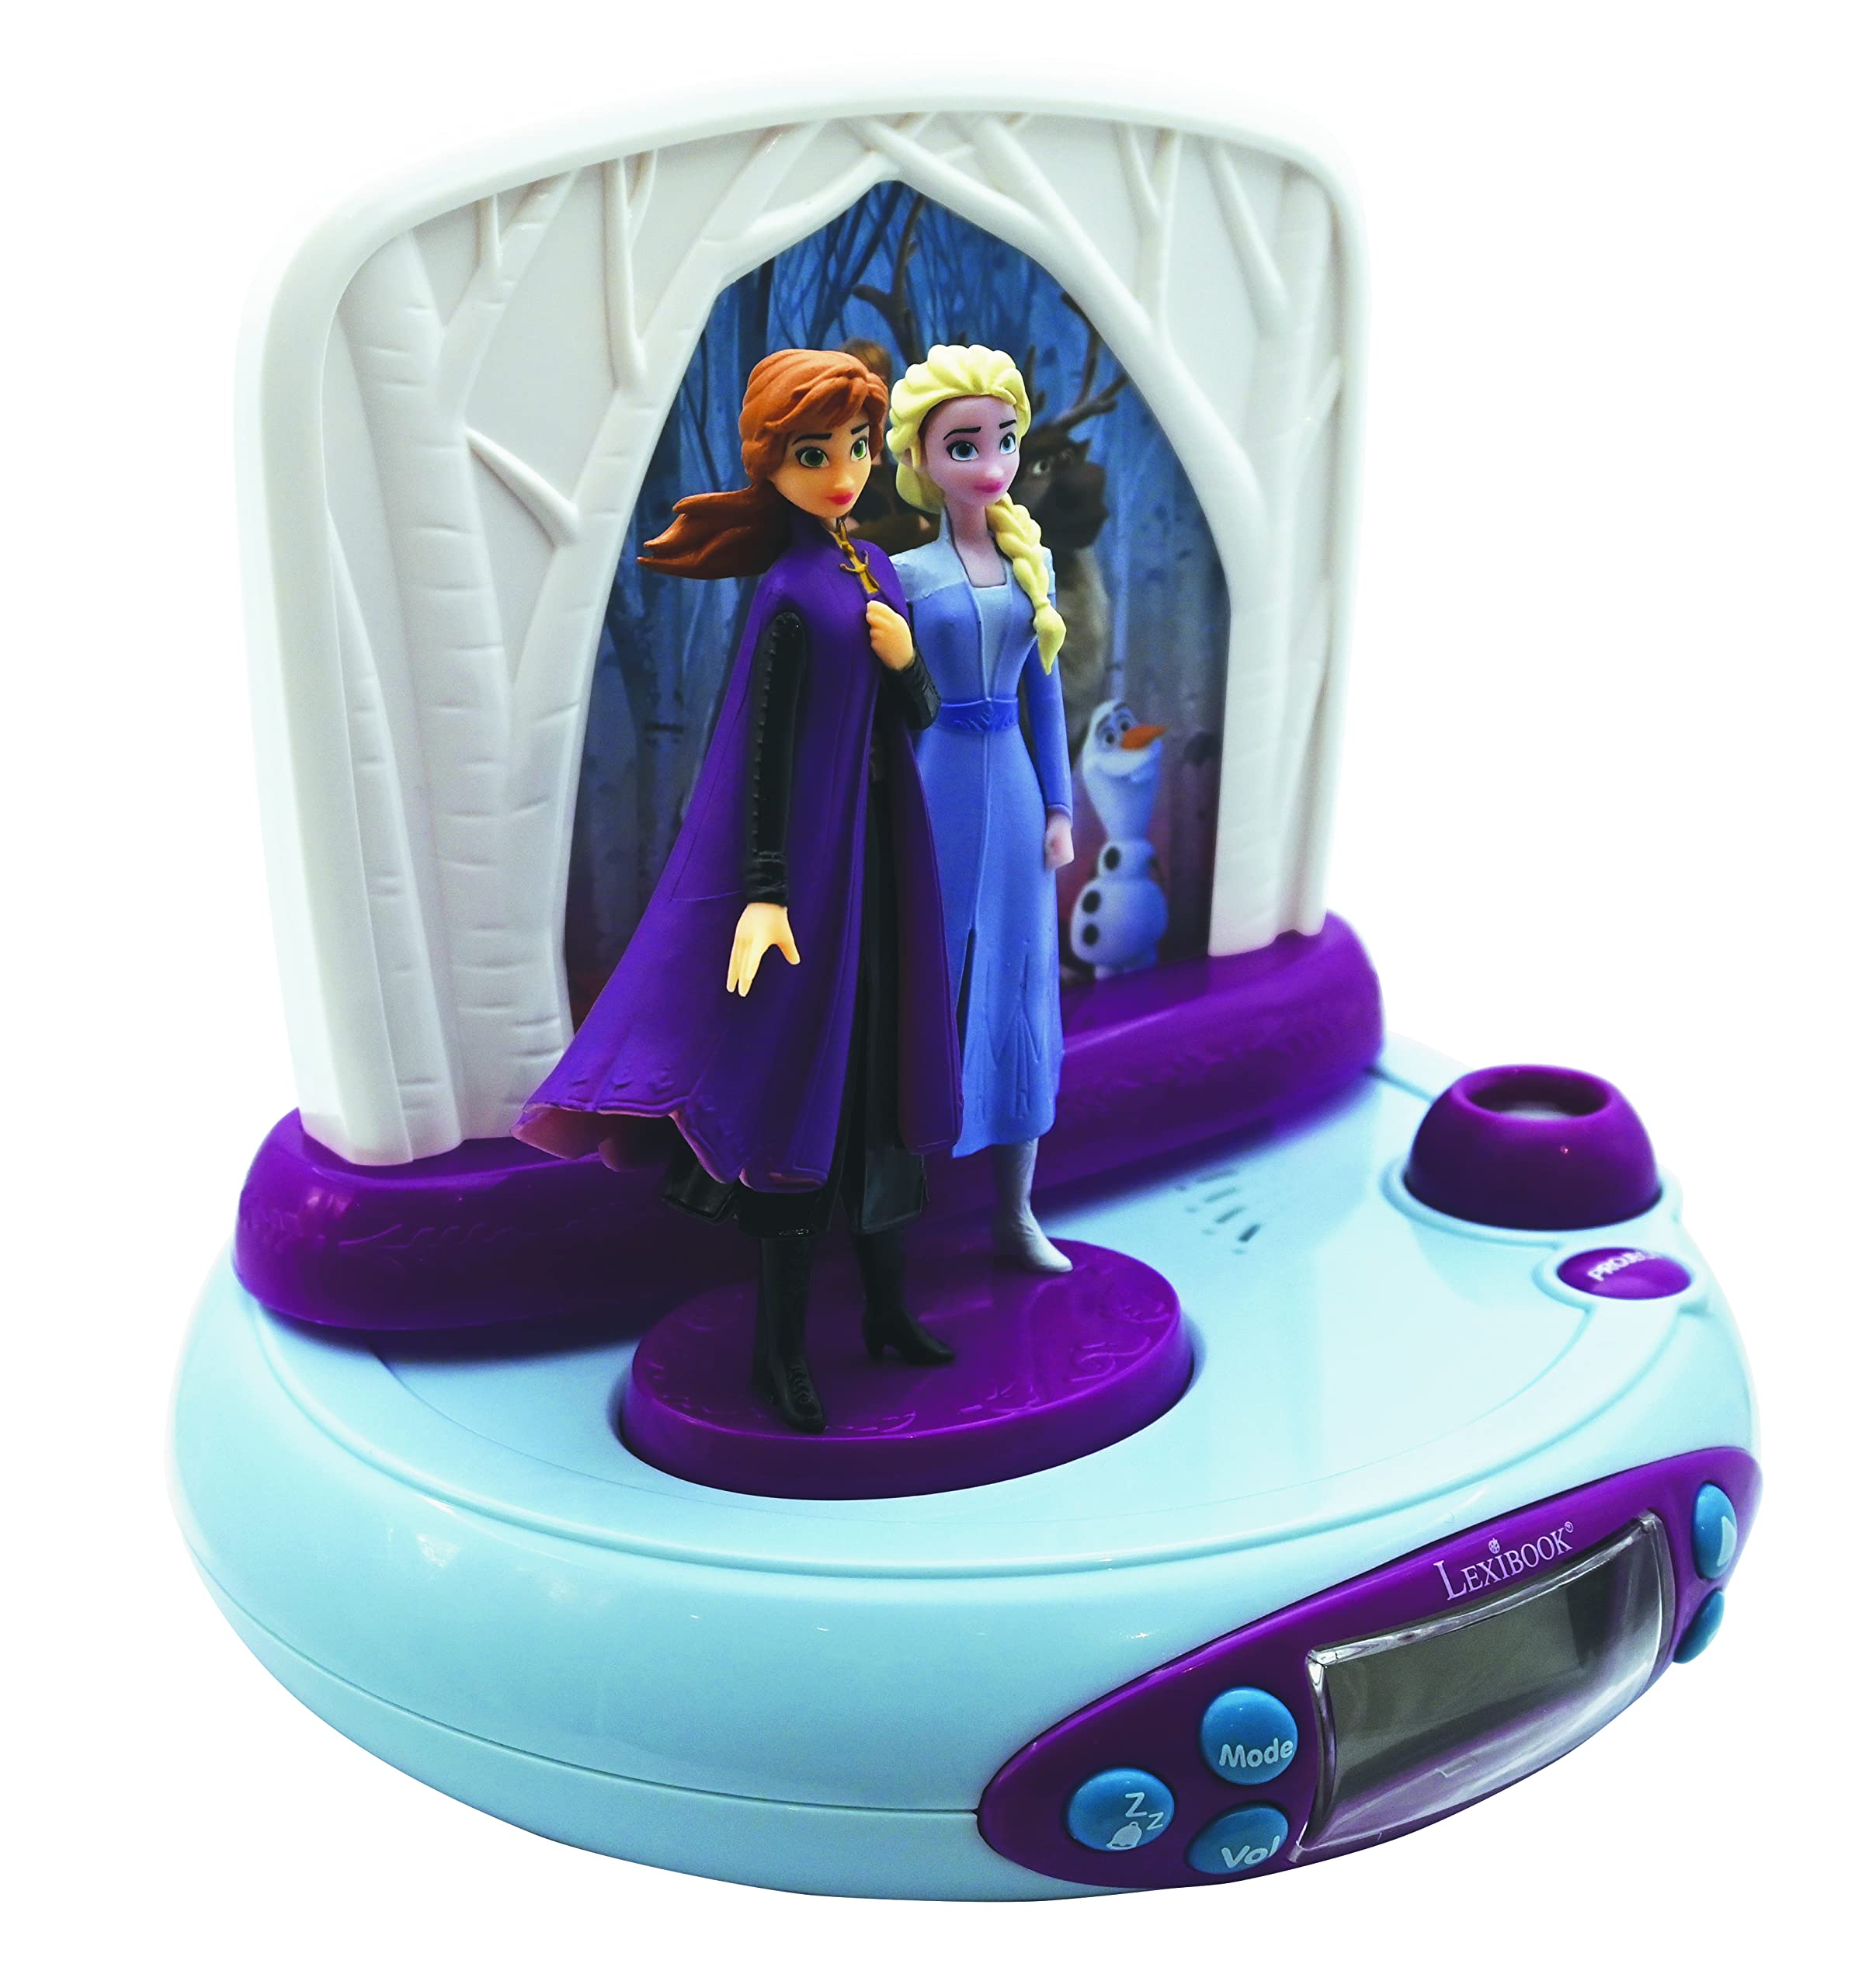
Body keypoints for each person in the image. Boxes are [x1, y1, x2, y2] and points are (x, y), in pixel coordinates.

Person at [516, 349, 961, 1433]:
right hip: (810, 882)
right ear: (772, 463)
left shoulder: (874, 570)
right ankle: (781, 1353)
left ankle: (887, 1311)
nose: (843, 472)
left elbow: (918, 718)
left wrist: (905, 661)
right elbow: (756, 752)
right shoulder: (788, 596)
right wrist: (764, 891)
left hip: (883, 870)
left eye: (856, 447)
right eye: (815, 454)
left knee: (883, 1103)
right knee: (795, 1113)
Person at [888, 346, 1074, 1274]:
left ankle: (1015, 1209)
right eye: (963, 445)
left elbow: (1047, 696)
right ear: (920, 460)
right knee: (927, 974)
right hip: (933, 783)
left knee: (1020, 977)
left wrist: (1060, 804)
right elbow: (887, 704)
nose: (989, 461)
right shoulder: (903, 574)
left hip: (1013, 786)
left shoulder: (1030, 566)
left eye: (1002, 438)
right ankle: (897, 1214)